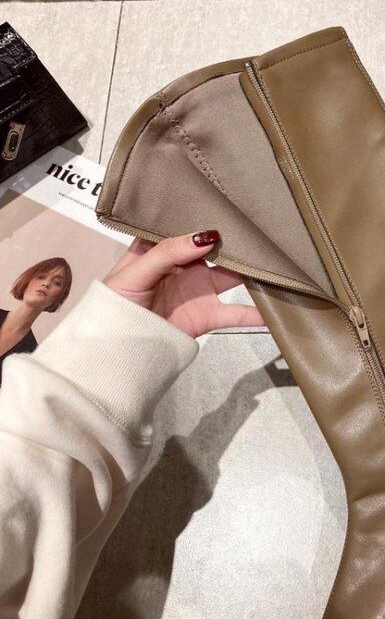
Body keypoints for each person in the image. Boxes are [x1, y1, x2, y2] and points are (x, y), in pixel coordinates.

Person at [0, 229, 263, 618]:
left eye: (57, 284)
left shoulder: (30, 346)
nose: (47, 285)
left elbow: (33, 511)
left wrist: (119, 346)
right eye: (44, 277)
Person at [0, 256, 72, 386]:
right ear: (27, 281)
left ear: (58, 298)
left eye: (57, 283)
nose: (46, 284)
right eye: (41, 276)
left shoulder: (31, 356)